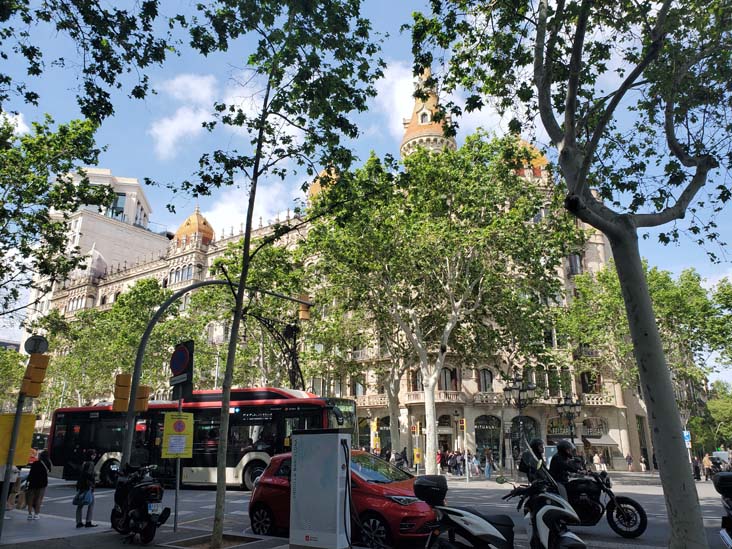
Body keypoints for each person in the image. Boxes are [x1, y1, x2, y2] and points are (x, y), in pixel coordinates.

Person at [26, 450, 51, 520]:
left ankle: (29, 514)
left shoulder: (35, 463)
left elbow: (31, 473)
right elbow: (49, 471)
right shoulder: (47, 463)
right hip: (42, 482)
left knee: (30, 498)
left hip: (33, 482)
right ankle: (36, 514)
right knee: (39, 498)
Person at [75, 449, 97, 528]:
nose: (95, 456)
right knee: (91, 503)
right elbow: (89, 474)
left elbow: (81, 474)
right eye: (94, 454)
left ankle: (78, 522)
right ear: (91, 455)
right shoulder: (91, 463)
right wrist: (94, 475)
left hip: (81, 485)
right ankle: (88, 521)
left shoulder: (84, 463)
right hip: (88, 486)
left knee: (80, 504)